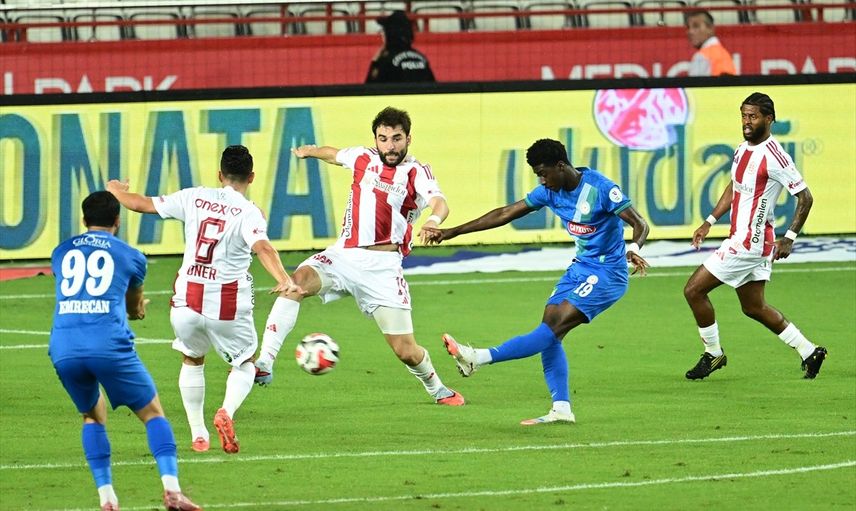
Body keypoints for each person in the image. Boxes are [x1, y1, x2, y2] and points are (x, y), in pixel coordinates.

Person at [423, 138, 650, 425]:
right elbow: (505, 213)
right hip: (580, 268)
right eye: (538, 175)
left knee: (552, 329)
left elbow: (640, 223)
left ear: (561, 166)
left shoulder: (601, 188)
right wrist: (452, 232)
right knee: (550, 332)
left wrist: (634, 249)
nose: (542, 181)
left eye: (544, 173)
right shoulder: (549, 191)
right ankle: (562, 408)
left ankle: (477, 357)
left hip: (608, 272)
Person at [253, 106, 464, 407]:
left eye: (397, 138)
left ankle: (437, 388)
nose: (390, 146)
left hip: (383, 268)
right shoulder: (363, 157)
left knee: (405, 351)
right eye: (383, 139)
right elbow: (334, 154)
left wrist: (432, 221)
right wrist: (310, 151)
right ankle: (265, 362)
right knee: (295, 283)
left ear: (408, 139)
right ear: (375, 139)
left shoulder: (416, 172)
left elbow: (440, 202)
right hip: (343, 256)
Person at [106, 145, 301, 454]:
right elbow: (263, 248)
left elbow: (141, 204)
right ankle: (226, 412)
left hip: (186, 299)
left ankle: (198, 434)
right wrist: (284, 279)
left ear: (219, 174)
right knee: (245, 363)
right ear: (251, 177)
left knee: (192, 358)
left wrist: (116, 190)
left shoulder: (194, 197)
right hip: (226, 303)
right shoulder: (249, 212)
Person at [49, 191, 201, 511]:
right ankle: (172, 490)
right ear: (118, 221)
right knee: (153, 413)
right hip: (108, 344)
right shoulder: (131, 256)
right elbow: (133, 306)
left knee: (93, 415)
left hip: (64, 346)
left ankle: (107, 498)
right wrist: (138, 310)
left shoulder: (60, 252)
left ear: (83, 220)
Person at [683, 92, 827, 380]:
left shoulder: (775, 156)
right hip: (749, 241)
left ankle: (713, 353)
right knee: (753, 307)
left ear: (769, 119)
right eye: (744, 116)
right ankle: (809, 351)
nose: (746, 122)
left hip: (749, 243)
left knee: (693, 291)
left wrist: (790, 237)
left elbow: (806, 197)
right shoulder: (742, 149)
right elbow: (735, 186)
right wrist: (709, 221)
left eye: (753, 117)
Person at [366, 10, 436, 83]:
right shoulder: (422, 59)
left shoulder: (385, 60)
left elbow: (370, 86)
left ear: (389, 33)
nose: (382, 34)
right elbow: (434, 86)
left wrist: (376, 61)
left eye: (384, 30)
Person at [685, 10, 736, 76]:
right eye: (688, 27)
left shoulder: (701, 56)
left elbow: (693, 83)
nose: (690, 32)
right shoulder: (724, 53)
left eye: (696, 26)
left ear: (710, 29)